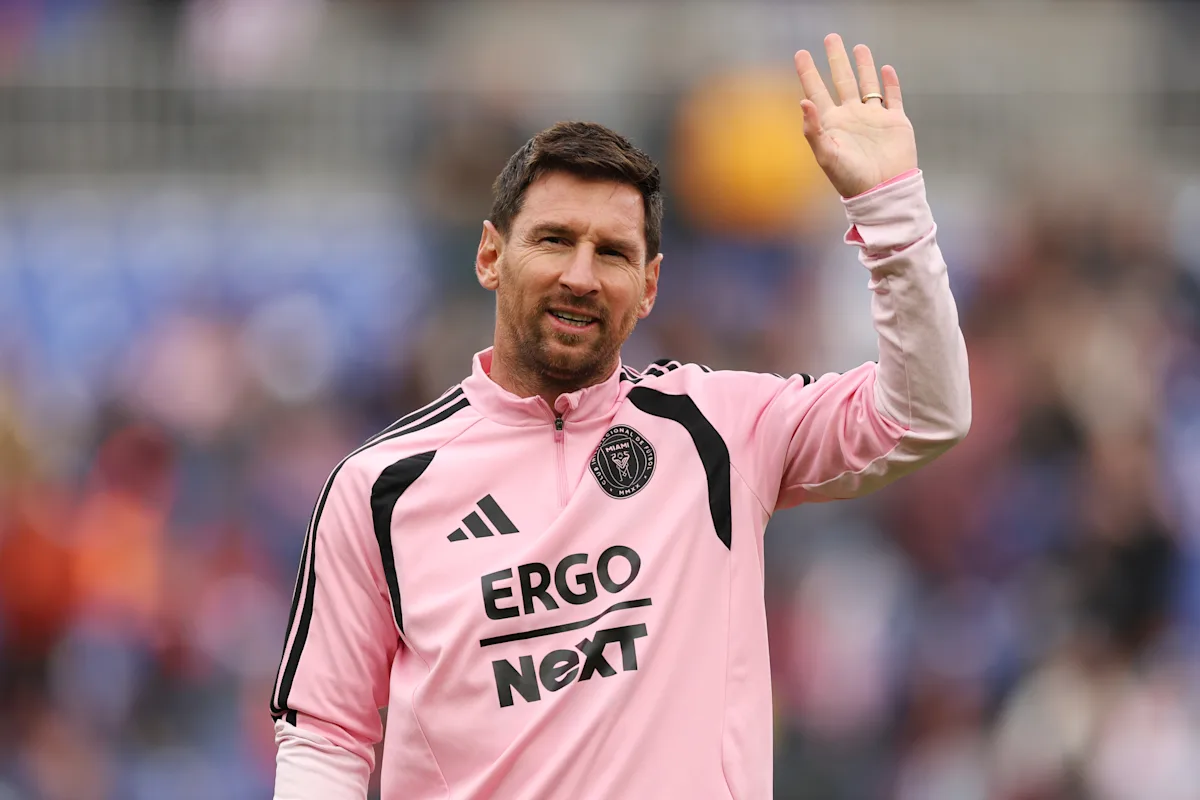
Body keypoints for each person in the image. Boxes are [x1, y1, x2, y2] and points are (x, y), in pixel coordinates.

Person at [269, 34, 971, 800]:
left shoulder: (719, 429)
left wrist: (891, 210)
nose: (580, 275)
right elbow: (324, 735)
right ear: (490, 257)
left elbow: (925, 413)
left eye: (611, 252)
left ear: (650, 286)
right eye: (554, 241)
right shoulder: (380, 488)